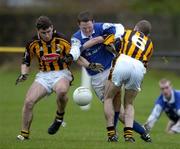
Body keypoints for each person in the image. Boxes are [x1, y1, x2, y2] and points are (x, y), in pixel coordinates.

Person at [65, 11, 151, 142]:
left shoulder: (102, 27)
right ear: (78, 25)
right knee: (120, 111)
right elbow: (76, 54)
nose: (87, 30)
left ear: (93, 22)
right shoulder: (76, 38)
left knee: (116, 104)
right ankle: (142, 132)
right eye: (84, 28)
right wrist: (89, 65)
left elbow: (120, 28)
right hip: (98, 76)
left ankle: (113, 135)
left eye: (89, 27)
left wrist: (104, 39)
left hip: (114, 67)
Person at [16, 16, 73, 140]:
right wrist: (24, 74)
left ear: (52, 28)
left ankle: (59, 117)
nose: (47, 35)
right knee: (28, 102)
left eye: (49, 31)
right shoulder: (32, 43)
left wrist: (85, 63)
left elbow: (75, 54)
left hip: (62, 72)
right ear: (38, 31)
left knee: (62, 91)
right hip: (43, 75)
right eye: (43, 33)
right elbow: (26, 61)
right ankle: (24, 134)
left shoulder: (63, 40)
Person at [103, 20, 153, 142]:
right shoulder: (150, 44)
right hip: (139, 67)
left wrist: (116, 50)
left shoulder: (126, 32)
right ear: (147, 35)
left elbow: (107, 43)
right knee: (129, 103)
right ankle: (129, 136)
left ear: (135, 27)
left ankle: (111, 134)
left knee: (108, 97)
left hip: (123, 61)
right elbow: (145, 61)